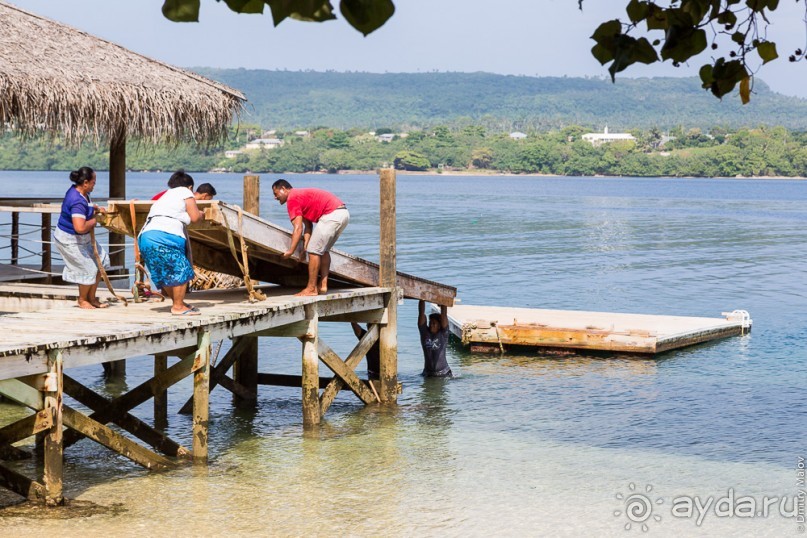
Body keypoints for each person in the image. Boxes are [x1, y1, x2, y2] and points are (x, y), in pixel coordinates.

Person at [138, 170, 204, 315]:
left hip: (145, 236)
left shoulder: (165, 196)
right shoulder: (185, 192)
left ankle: (178, 303)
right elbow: (194, 218)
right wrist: (201, 214)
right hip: (165, 236)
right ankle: (178, 307)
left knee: (165, 273)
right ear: (190, 187)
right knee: (182, 269)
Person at [271, 179, 349, 296]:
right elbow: (307, 226)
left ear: (283, 189)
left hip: (331, 214)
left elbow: (298, 228)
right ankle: (323, 285)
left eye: (275, 193)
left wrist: (291, 251)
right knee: (323, 250)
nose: (275, 197)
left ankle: (311, 288)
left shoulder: (292, 198)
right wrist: (305, 247)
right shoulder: (299, 196)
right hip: (343, 214)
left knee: (314, 251)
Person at [52, 167, 111, 309]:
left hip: (83, 239)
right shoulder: (76, 201)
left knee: (102, 261)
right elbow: (80, 227)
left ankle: (92, 298)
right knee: (88, 268)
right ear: (85, 183)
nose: (94, 185)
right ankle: (83, 300)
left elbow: (87, 206)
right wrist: (96, 219)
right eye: (93, 182)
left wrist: (96, 208)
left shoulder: (82, 193)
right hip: (69, 240)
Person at [418, 300, 453, 377]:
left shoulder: (443, 334)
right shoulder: (424, 333)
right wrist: (422, 299)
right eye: (430, 323)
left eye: (434, 323)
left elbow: (444, 315)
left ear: (439, 326)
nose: (431, 325)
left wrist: (443, 299)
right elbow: (421, 314)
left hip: (444, 373)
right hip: (428, 373)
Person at [152, 182, 217, 201]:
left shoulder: (172, 193)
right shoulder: (188, 197)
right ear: (205, 196)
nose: (209, 201)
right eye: (209, 199)